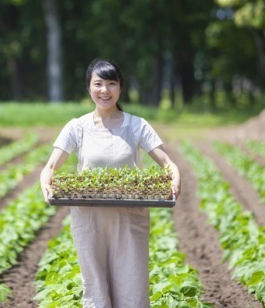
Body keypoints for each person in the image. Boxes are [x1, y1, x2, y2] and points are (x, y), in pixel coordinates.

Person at [40, 58, 181, 307]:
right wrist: (47, 181)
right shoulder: (77, 127)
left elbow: (166, 162)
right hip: (90, 220)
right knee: (95, 286)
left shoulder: (137, 125)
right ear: (89, 88)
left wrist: (175, 174)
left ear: (120, 88)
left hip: (129, 219)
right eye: (98, 84)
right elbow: (50, 167)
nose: (105, 90)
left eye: (111, 84)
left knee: (132, 284)